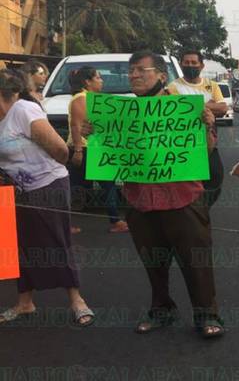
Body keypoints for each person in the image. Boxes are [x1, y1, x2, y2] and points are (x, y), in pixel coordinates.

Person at [120, 50, 224, 338]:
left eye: (142, 70)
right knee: (153, 262)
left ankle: (207, 315)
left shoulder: (184, 108)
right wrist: (95, 132)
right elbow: (108, 155)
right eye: (131, 71)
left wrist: (206, 126)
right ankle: (161, 309)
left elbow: (206, 152)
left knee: (196, 261)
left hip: (184, 198)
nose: (134, 76)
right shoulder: (120, 113)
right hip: (139, 199)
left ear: (161, 76)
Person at [0, 69, 95, 327]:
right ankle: (25, 302)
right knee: (21, 248)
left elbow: (59, 149)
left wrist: (41, 169)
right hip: (17, 193)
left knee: (57, 242)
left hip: (48, 185)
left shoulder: (22, 111)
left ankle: (77, 301)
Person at [67, 66, 128, 233]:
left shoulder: (93, 98)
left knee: (104, 185)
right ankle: (114, 221)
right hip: (85, 150)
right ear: (88, 82)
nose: (101, 81)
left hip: (94, 149)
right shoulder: (81, 98)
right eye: (98, 78)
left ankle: (115, 221)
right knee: (77, 188)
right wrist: (79, 151)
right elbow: (76, 126)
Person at [167, 49, 227, 206]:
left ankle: (203, 210)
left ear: (201, 65)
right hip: (184, 145)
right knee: (187, 182)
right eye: (186, 62)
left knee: (215, 177)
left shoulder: (211, 85)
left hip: (209, 142)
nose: (190, 65)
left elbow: (222, 108)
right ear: (181, 64)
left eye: (194, 62)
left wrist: (190, 105)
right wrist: (207, 106)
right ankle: (191, 213)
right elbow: (172, 111)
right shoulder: (173, 87)